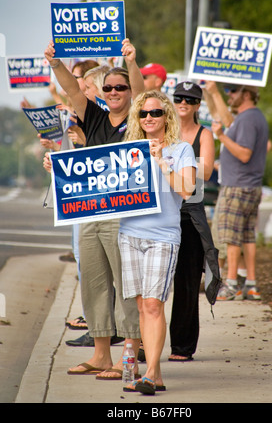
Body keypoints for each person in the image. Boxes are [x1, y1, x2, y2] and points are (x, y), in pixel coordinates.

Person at [43, 38, 144, 379]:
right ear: (102, 90)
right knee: (95, 283)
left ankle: (128, 355)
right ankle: (101, 354)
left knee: (126, 285)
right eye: (110, 87)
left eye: (121, 87)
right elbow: (73, 90)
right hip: (90, 212)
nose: (115, 91)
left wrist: (130, 61)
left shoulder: (139, 118)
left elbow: (142, 93)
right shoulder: (94, 116)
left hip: (125, 215)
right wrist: (56, 64)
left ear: (129, 91)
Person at [120, 90, 197, 395]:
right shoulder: (128, 150)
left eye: (155, 112)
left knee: (154, 303)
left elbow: (188, 190)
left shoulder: (181, 150)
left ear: (166, 115)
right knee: (142, 305)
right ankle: (157, 374)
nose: (149, 118)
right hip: (129, 234)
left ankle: (150, 372)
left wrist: (162, 162)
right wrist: (55, 169)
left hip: (163, 236)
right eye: (143, 113)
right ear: (137, 118)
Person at [168, 81, 220, 362]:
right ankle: (139, 343)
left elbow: (208, 170)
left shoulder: (204, 134)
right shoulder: (163, 129)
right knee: (151, 284)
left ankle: (182, 346)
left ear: (198, 105)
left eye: (190, 99)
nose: (183, 103)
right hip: (161, 214)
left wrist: (177, 162)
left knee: (187, 284)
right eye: (179, 98)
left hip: (189, 214)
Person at [211, 84, 269, 300]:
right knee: (247, 237)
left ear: (247, 95)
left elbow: (244, 154)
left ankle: (232, 283)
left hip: (237, 186)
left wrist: (221, 136)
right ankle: (251, 285)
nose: (230, 95)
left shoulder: (247, 119)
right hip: (249, 186)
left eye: (233, 91)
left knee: (232, 237)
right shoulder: (254, 117)